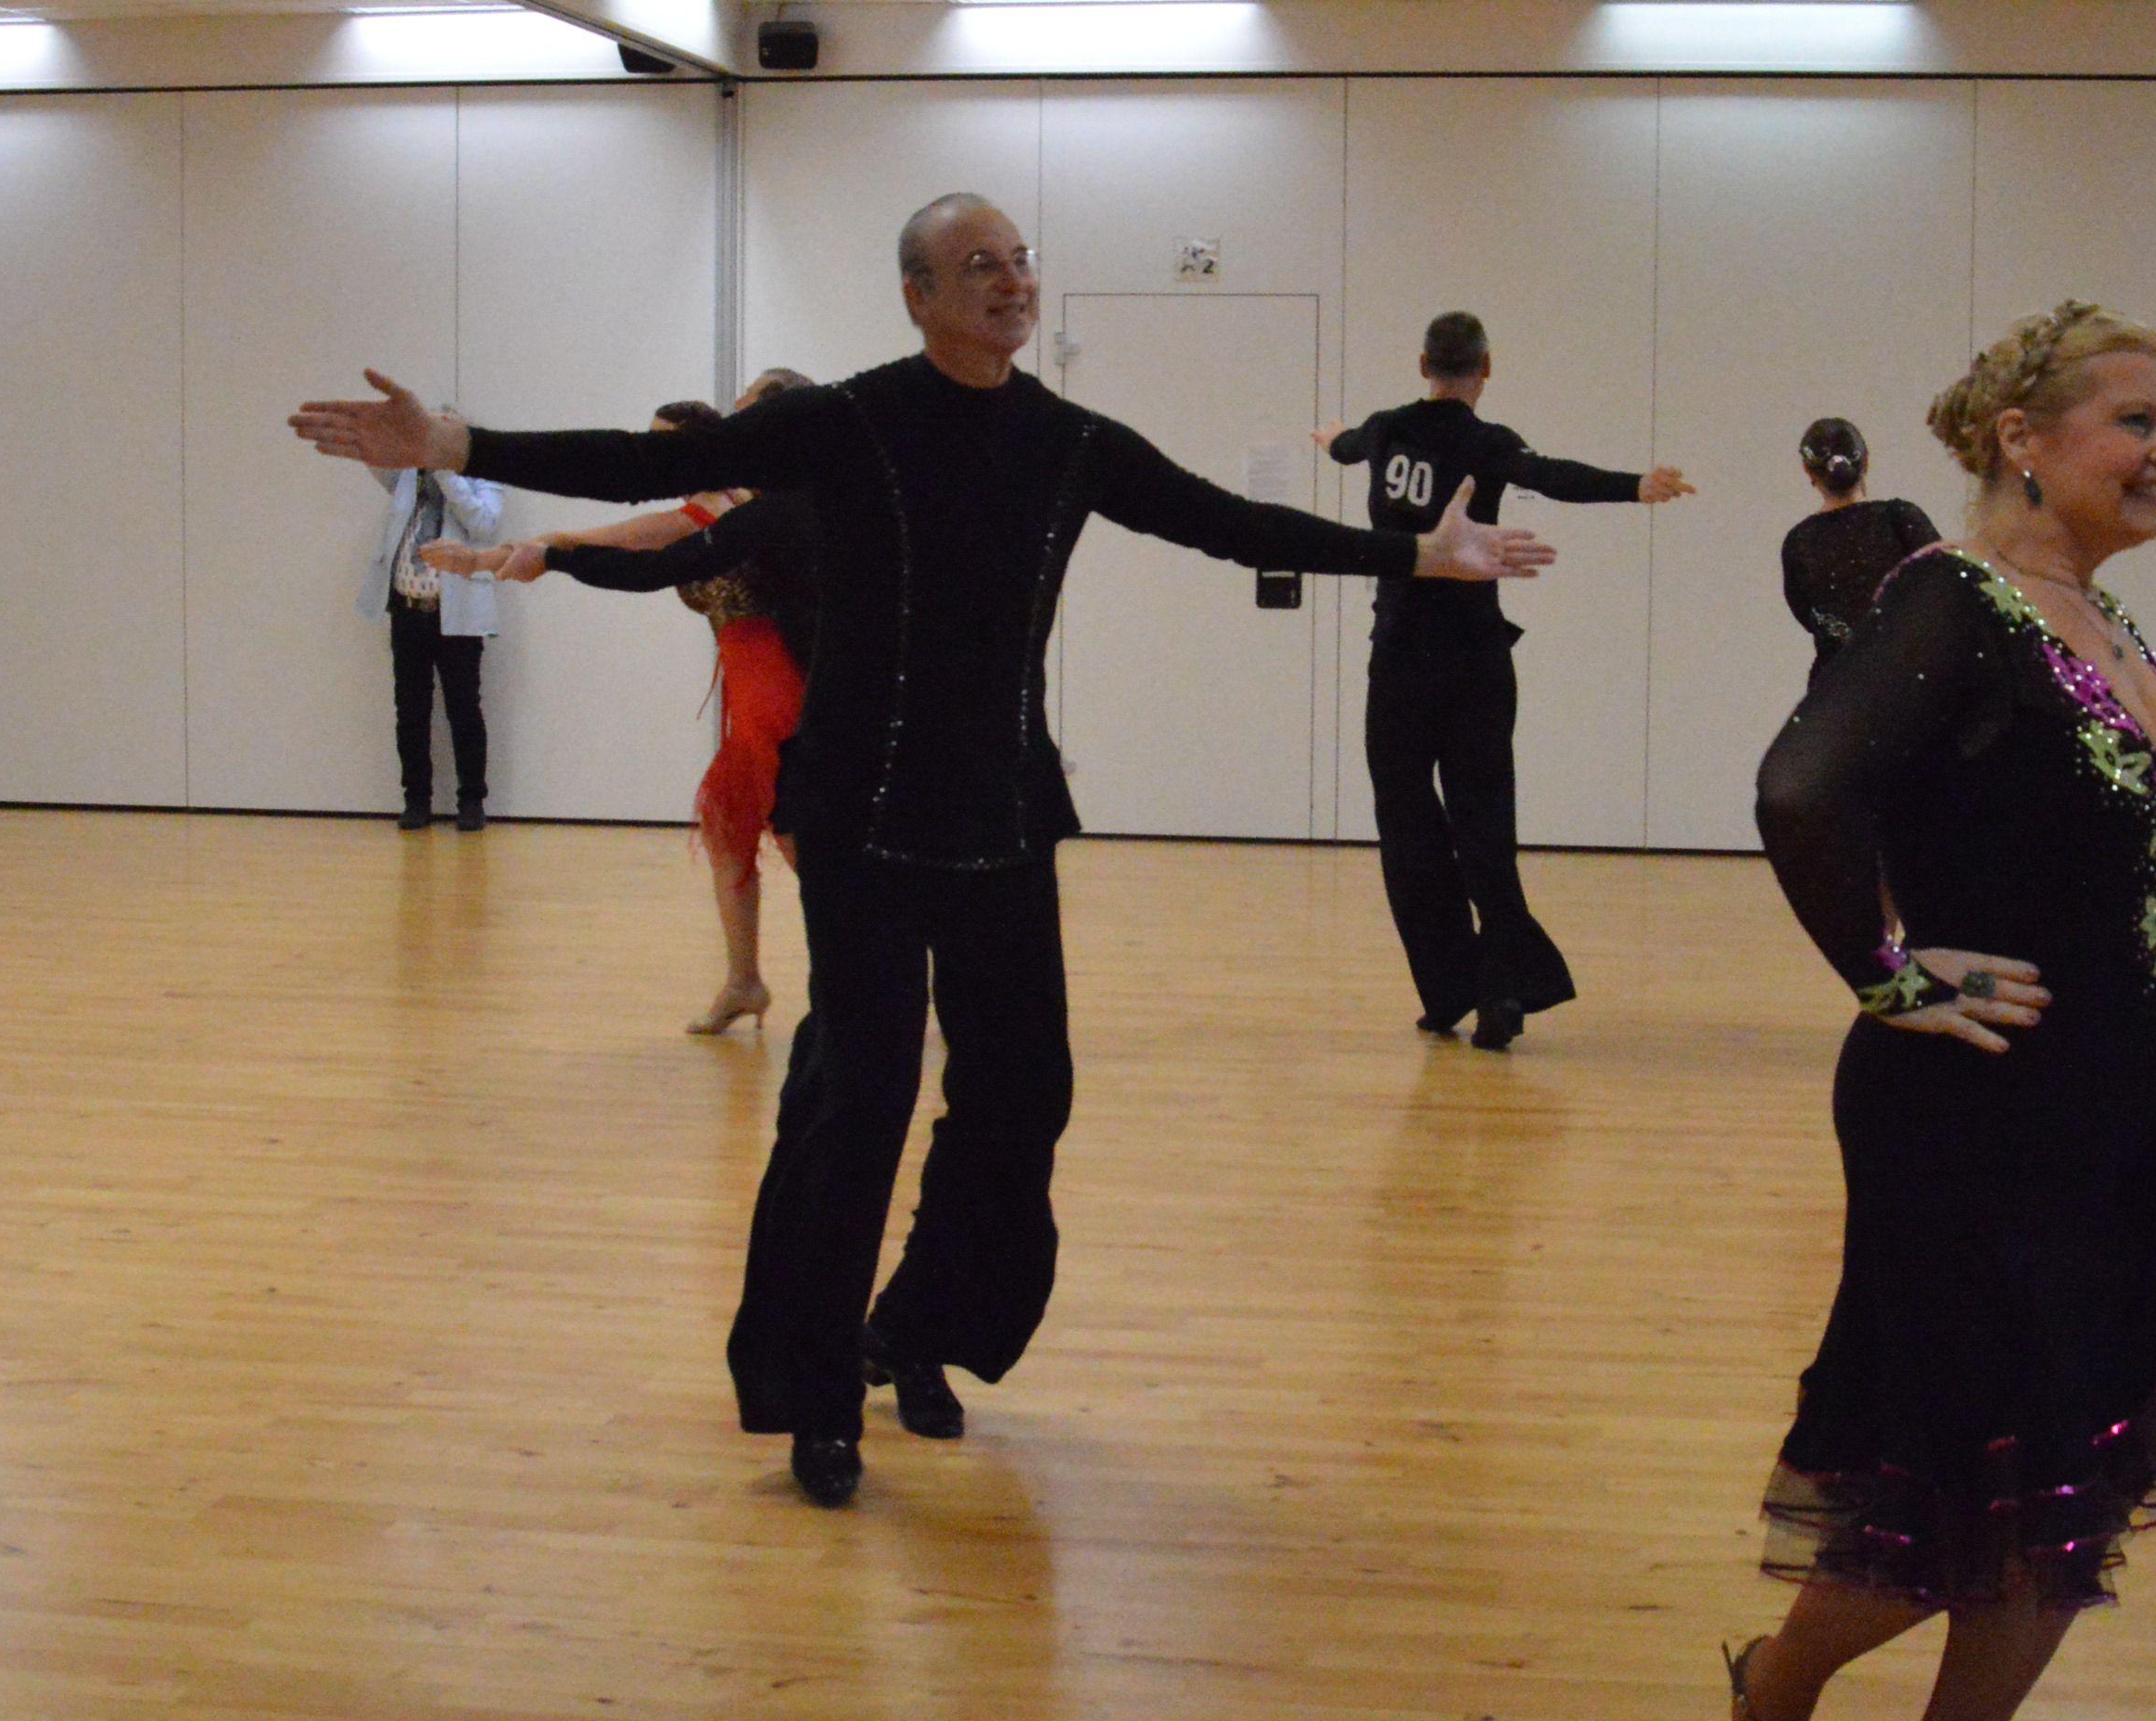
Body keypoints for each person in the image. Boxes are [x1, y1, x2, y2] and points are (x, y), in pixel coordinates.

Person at [297, 193, 1554, 1511]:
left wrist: (1417, 555)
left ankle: (917, 1330)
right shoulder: (847, 421)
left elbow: (1225, 522)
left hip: (1004, 815)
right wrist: (457, 441)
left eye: (1020, 261)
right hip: (863, 818)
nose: (1012, 282)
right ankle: (816, 1392)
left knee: (1024, 1095)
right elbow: (651, 460)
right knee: (863, 1098)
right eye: (978, 265)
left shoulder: (1069, 440)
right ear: (920, 295)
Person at [1722, 301, 2156, 1721]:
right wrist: (1888, 975)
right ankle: (1776, 1694)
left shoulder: (2087, 613)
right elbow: (1800, 789)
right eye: (2134, 420)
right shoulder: (1947, 605)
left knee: (2071, 1484)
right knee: (1952, 1488)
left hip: (2115, 1096)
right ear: (2023, 440)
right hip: (1970, 1111)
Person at [1316, 311, 1692, 1049]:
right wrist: (1636, 486)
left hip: (1399, 661)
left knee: (1406, 827)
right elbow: (1551, 477)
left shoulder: (1386, 428)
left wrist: (1332, 440)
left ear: (1421, 362)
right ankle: (1502, 992)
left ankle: (1446, 989)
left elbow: (1347, 446)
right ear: (1486, 369)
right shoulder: (1487, 443)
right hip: (1475, 663)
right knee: (1484, 825)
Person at [450, 373, 819, 1035]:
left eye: (662, 446)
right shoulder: (743, 499)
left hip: (775, 685)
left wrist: (532, 553)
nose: (653, 460)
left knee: (809, 848)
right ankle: (745, 980)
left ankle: (872, 979)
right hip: (752, 680)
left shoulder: (723, 504)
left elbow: (636, 544)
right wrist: (516, 555)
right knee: (729, 828)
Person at [360, 447, 508, 830]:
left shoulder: (482, 475)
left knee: (464, 709)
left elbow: (484, 524)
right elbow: (378, 464)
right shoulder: (410, 472)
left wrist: (445, 472)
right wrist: (389, 439)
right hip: (408, 610)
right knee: (410, 710)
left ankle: (472, 801)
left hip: (457, 616)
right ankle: (416, 800)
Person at [1780, 415, 1941, 675]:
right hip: (1909, 678)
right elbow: (1946, 588)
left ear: (1809, 472)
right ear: (1866, 461)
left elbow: (1806, 614)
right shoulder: (1900, 518)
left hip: (1837, 685)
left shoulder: (1799, 542)